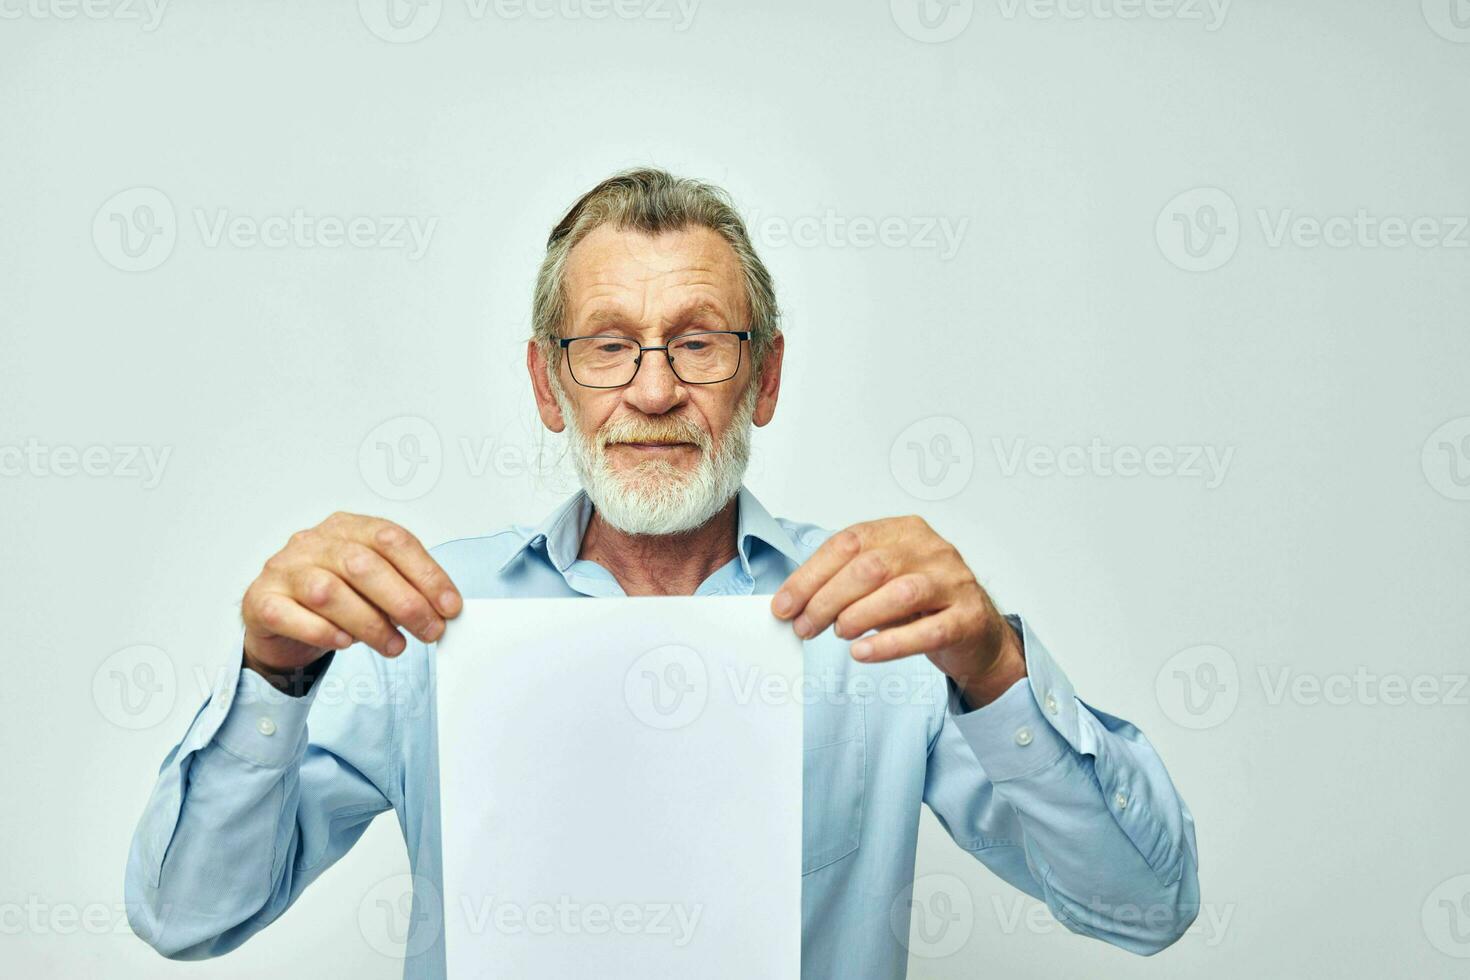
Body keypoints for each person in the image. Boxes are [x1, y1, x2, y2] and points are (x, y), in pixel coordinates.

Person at [125, 167, 1200, 979]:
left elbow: (1146, 905)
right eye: (607, 345)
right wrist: (271, 677)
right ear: (551, 385)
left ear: (763, 376)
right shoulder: (422, 621)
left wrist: (999, 669)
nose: (651, 390)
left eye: (699, 342)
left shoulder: (884, 624)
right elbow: (187, 915)